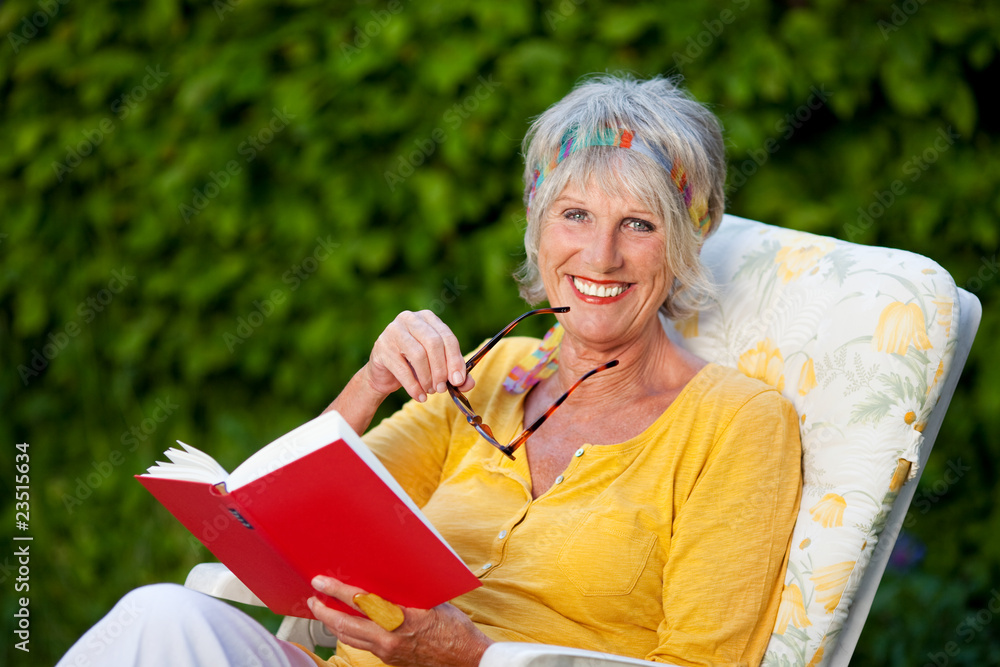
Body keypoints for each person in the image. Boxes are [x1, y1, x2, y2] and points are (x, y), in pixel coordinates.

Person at [58, 74, 801, 667]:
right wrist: (371, 382)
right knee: (163, 615)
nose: (600, 257)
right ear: (539, 230)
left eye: (637, 225)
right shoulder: (493, 371)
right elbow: (273, 528)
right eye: (574, 215)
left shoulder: (736, 424)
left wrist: (471, 657)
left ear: (682, 246)